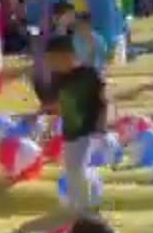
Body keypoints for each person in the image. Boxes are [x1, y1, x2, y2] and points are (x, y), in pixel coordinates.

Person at [46, 34, 108, 214]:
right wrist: (50, 125)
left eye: (54, 59)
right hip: (70, 131)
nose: (51, 64)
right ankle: (78, 206)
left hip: (88, 130)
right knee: (72, 170)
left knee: (77, 169)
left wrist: (101, 127)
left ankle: (86, 208)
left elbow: (102, 101)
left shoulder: (89, 74)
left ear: (69, 56)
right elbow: (59, 105)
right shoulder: (58, 78)